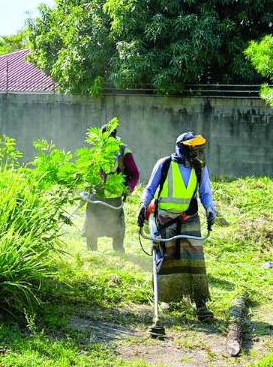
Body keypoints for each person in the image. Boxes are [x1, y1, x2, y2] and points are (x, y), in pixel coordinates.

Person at [138, 132, 218, 322]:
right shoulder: (165, 164)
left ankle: (200, 304)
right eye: (193, 148)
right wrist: (143, 205)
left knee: (195, 261)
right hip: (165, 219)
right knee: (168, 258)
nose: (197, 152)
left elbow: (205, 193)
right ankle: (167, 299)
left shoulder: (200, 168)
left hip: (189, 218)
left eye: (198, 148)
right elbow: (150, 189)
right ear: (183, 148)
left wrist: (210, 209)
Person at [84, 121, 140, 253]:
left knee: (117, 226)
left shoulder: (123, 150)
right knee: (91, 221)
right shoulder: (97, 149)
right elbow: (89, 170)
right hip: (96, 193)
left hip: (115, 195)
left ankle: (118, 250)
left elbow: (135, 174)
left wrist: (129, 188)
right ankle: (92, 251)